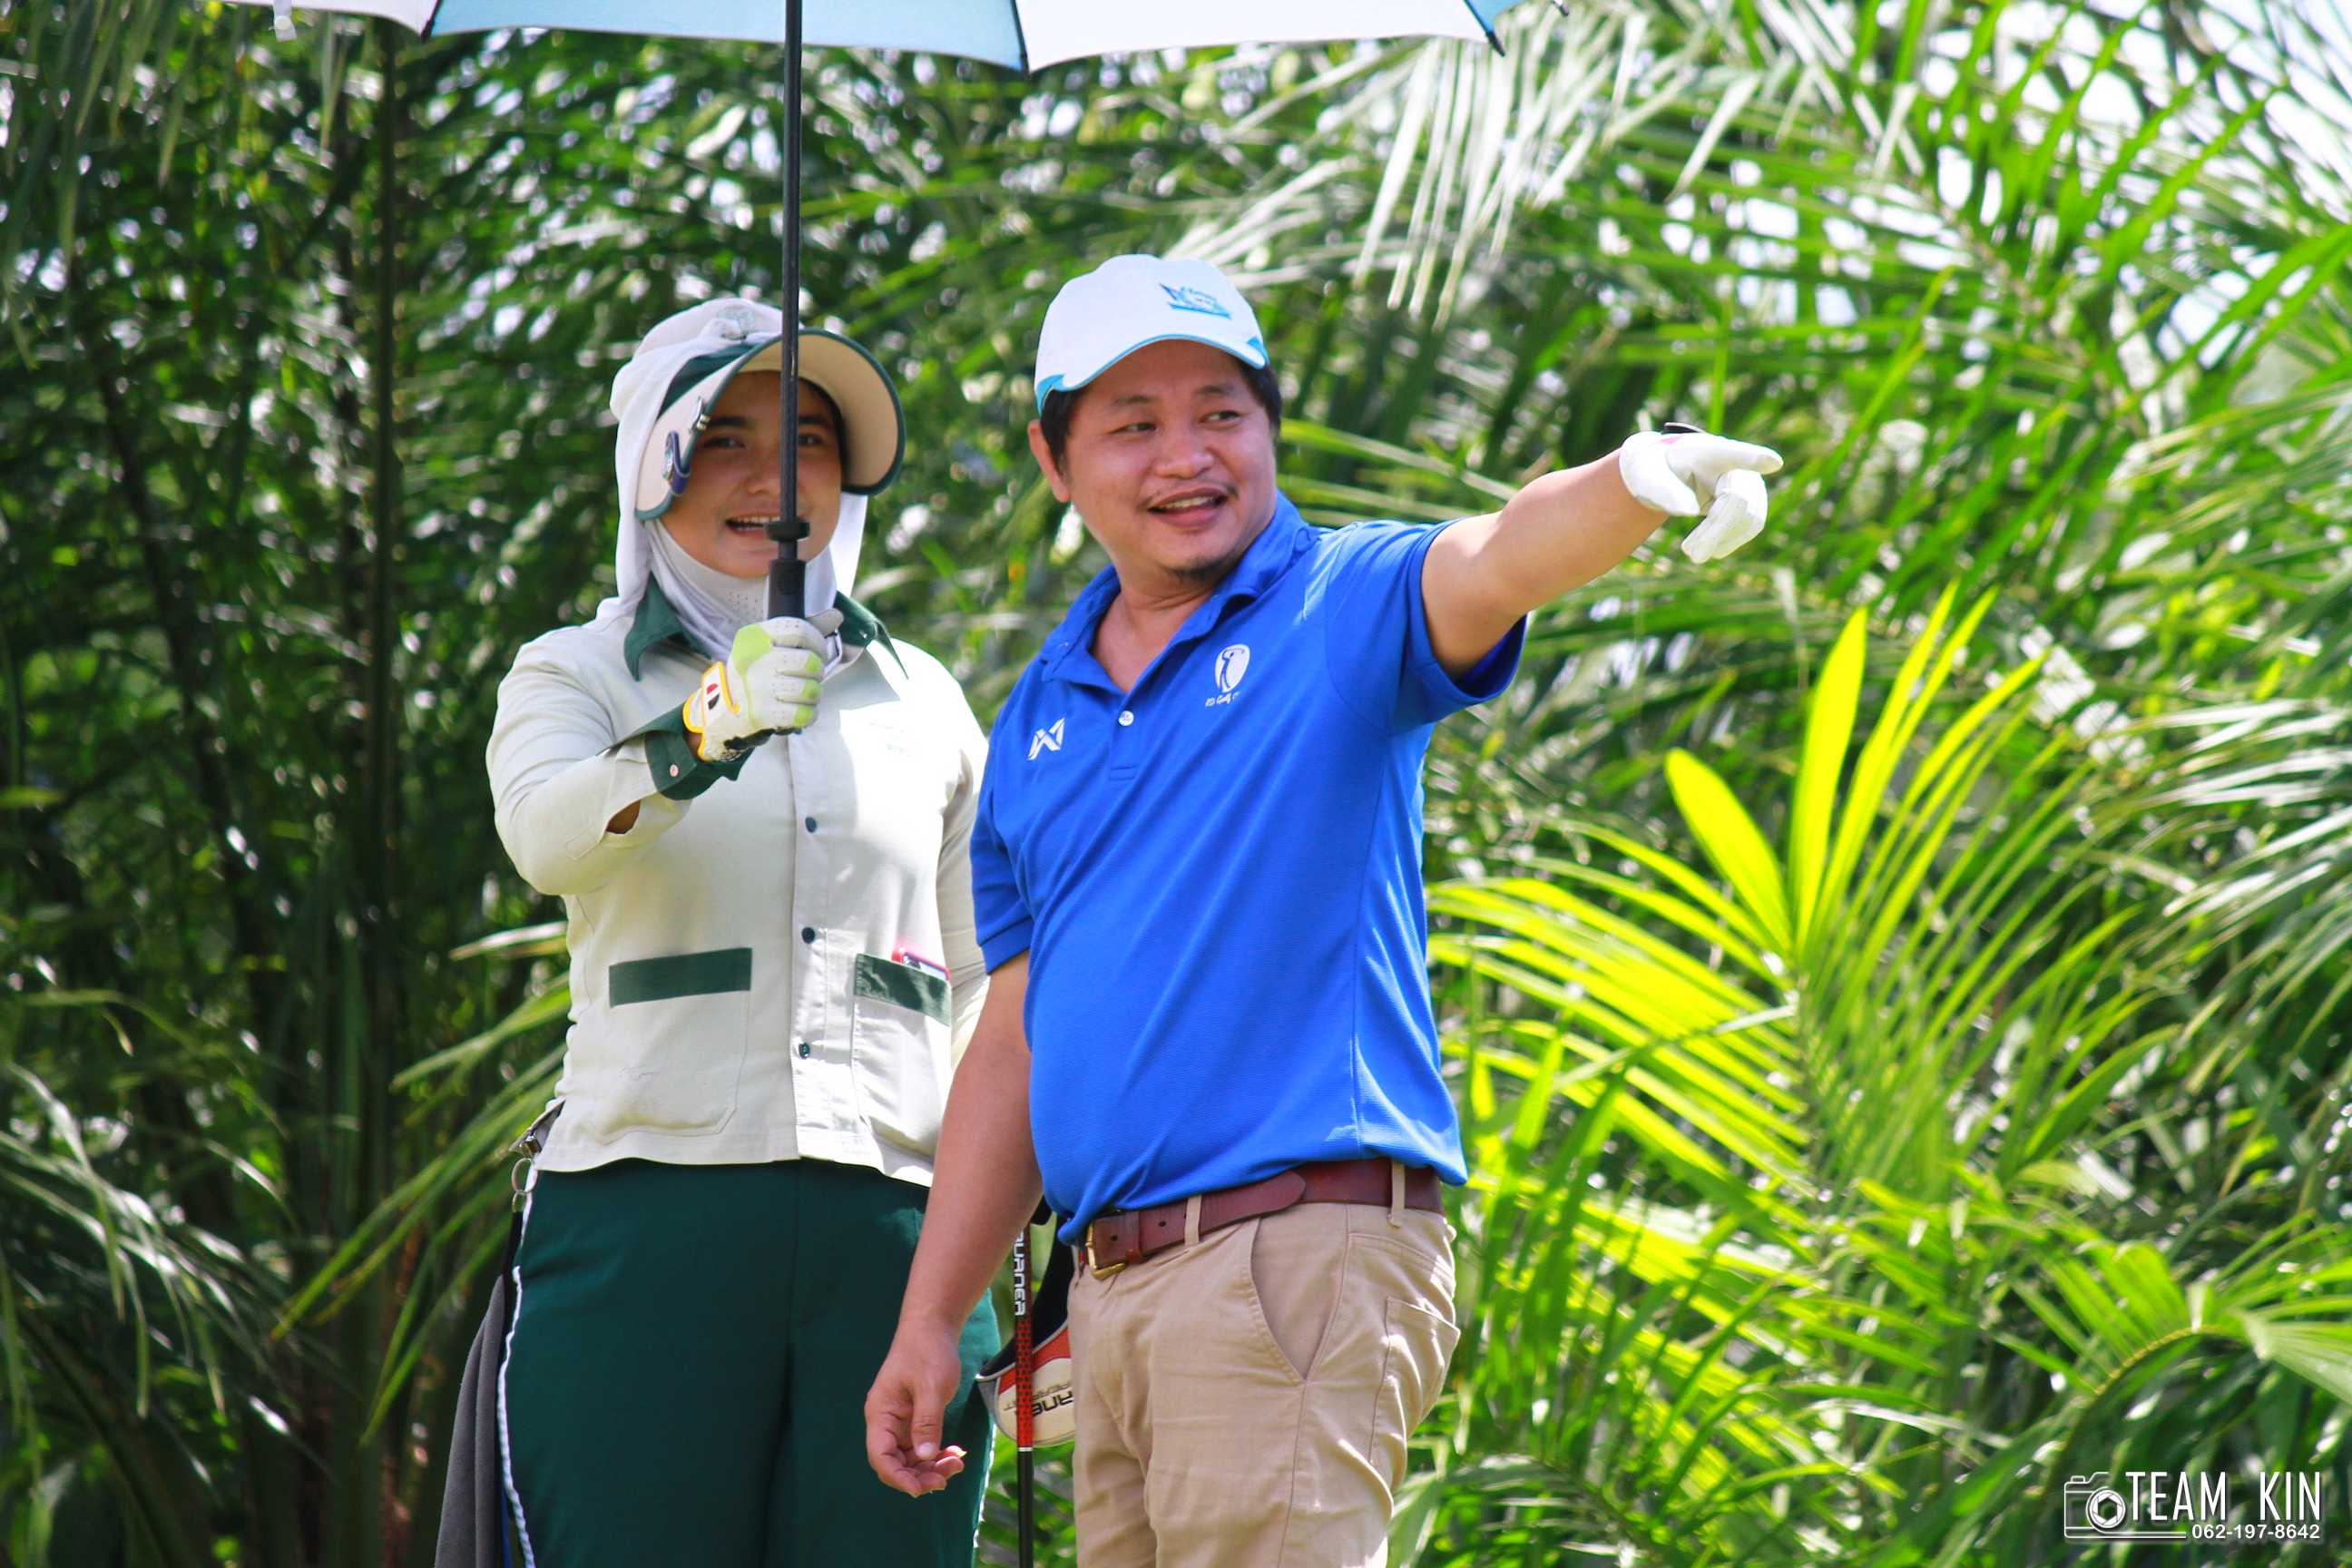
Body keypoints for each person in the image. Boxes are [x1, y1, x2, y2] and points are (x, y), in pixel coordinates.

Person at [861, 255, 1781, 1566]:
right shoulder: (1036, 718)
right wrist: (928, 1319)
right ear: (1054, 460)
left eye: (1221, 413)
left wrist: (1638, 477)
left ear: (1270, 430)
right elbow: (1015, 1038)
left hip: (1285, 1256)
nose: (1187, 455)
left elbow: (1496, 555)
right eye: (1134, 424)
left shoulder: (1338, 601)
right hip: (1109, 1299)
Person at [485, 297, 998, 1568]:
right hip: (646, 1222)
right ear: (649, 467)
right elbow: (545, 839)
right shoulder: (575, 672)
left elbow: (983, 980)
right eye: (724, 439)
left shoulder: (926, 700)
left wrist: (990, 1227)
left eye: (810, 441)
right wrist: (705, 725)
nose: (774, 479)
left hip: (898, 1243)